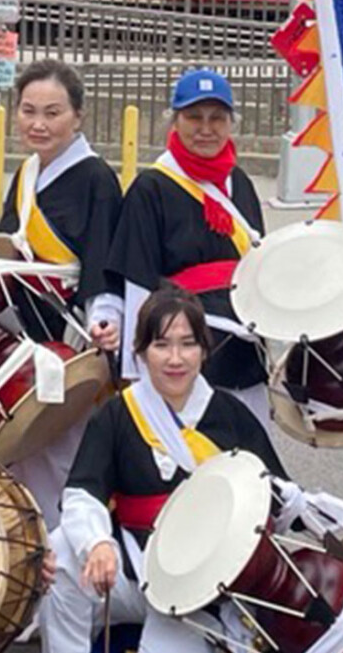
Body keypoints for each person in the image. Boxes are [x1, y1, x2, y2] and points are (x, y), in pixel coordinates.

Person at [25, 288, 343, 653]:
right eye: (161, 344)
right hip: (134, 568)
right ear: (140, 352)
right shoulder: (119, 414)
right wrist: (98, 542)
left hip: (202, 586)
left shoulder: (229, 414)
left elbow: (278, 494)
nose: (175, 358)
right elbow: (82, 493)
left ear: (203, 350)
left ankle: (191, 644)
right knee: (63, 550)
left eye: (187, 343)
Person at [0, 58, 124, 517]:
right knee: (23, 453)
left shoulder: (96, 179)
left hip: (68, 334)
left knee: (64, 454)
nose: (38, 123)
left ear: (78, 117)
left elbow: (104, 261)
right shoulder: (28, 173)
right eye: (28, 111)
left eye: (52, 113)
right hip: (25, 334)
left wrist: (102, 321)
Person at [108, 67, 268, 427]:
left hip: (243, 348)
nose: (206, 129)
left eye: (217, 118)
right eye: (194, 117)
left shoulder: (239, 182)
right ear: (174, 121)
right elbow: (138, 284)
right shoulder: (151, 188)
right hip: (183, 351)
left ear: (231, 123)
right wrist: (137, 373)